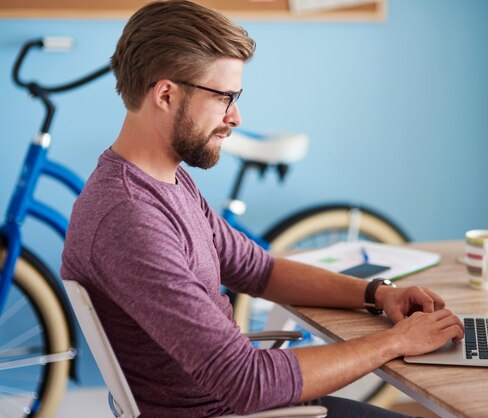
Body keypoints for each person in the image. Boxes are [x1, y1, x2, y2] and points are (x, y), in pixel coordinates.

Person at [61, 1, 464, 417]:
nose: (235, 116)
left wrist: (378, 294)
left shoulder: (165, 181)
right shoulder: (131, 218)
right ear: (166, 94)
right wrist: (397, 341)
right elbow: (247, 382)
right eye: (224, 97)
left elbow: (258, 269)